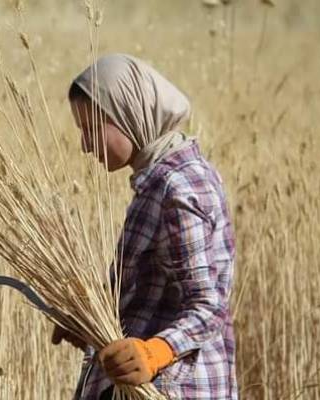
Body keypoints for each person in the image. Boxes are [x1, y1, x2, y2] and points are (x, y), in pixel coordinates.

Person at [52, 54, 237, 400]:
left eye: (92, 129)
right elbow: (149, 291)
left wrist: (154, 353)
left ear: (129, 116)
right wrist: (90, 320)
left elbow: (209, 306)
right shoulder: (159, 181)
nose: (85, 145)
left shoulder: (177, 188)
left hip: (172, 387)